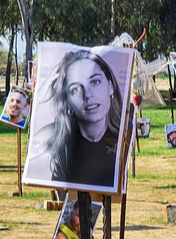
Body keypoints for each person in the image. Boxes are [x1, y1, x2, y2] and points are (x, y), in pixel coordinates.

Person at [43, 50, 123, 187]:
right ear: (67, 100)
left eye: (95, 82)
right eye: (75, 89)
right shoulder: (53, 141)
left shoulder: (123, 137)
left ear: (110, 86)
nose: (87, 95)